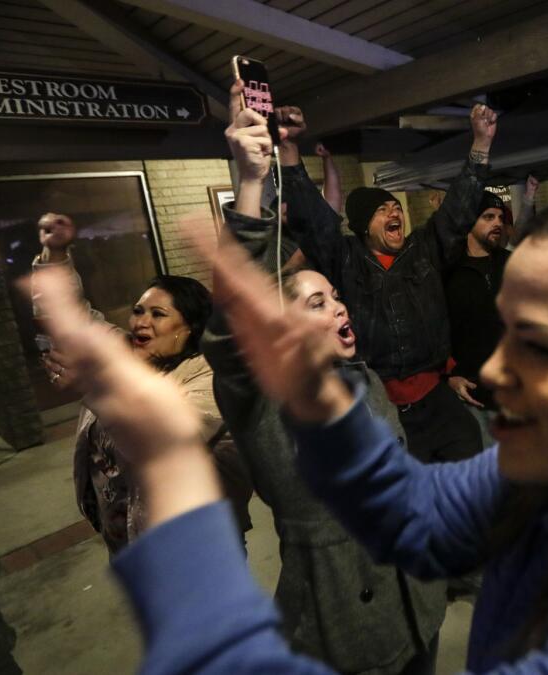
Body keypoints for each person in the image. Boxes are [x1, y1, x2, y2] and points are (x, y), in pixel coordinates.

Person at [37, 180, 548, 674]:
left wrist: (176, 489)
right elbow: (410, 511)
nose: (496, 370)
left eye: (542, 346)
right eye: (505, 330)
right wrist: (321, 399)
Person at [205, 95, 446, 672]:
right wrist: (250, 179)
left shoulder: (364, 379)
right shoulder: (268, 399)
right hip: (345, 623)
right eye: (318, 302)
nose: (340, 308)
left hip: (417, 603)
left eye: (336, 297)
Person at [239, 86, 492, 464]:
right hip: (380, 404)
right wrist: (289, 149)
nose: (395, 213)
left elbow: (459, 209)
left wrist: (481, 145)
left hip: (436, 398)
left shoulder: (423, 249)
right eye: (382, 210)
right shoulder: (344, 258)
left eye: (396, 207)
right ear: (361, 226)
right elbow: (313, 218)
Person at [31, 213, 252, 555]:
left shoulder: (211, 377)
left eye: (158, 314)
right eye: (138, 310)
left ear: (190, 327)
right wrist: (55, 253)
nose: (140, 322)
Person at [444, 190, 509, 442]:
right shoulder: (446, 272)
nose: (497, 223)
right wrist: (448, 376)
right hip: (473, 393)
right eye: (488, 217)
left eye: (500, 218)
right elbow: (435, 328)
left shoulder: (512, 263)